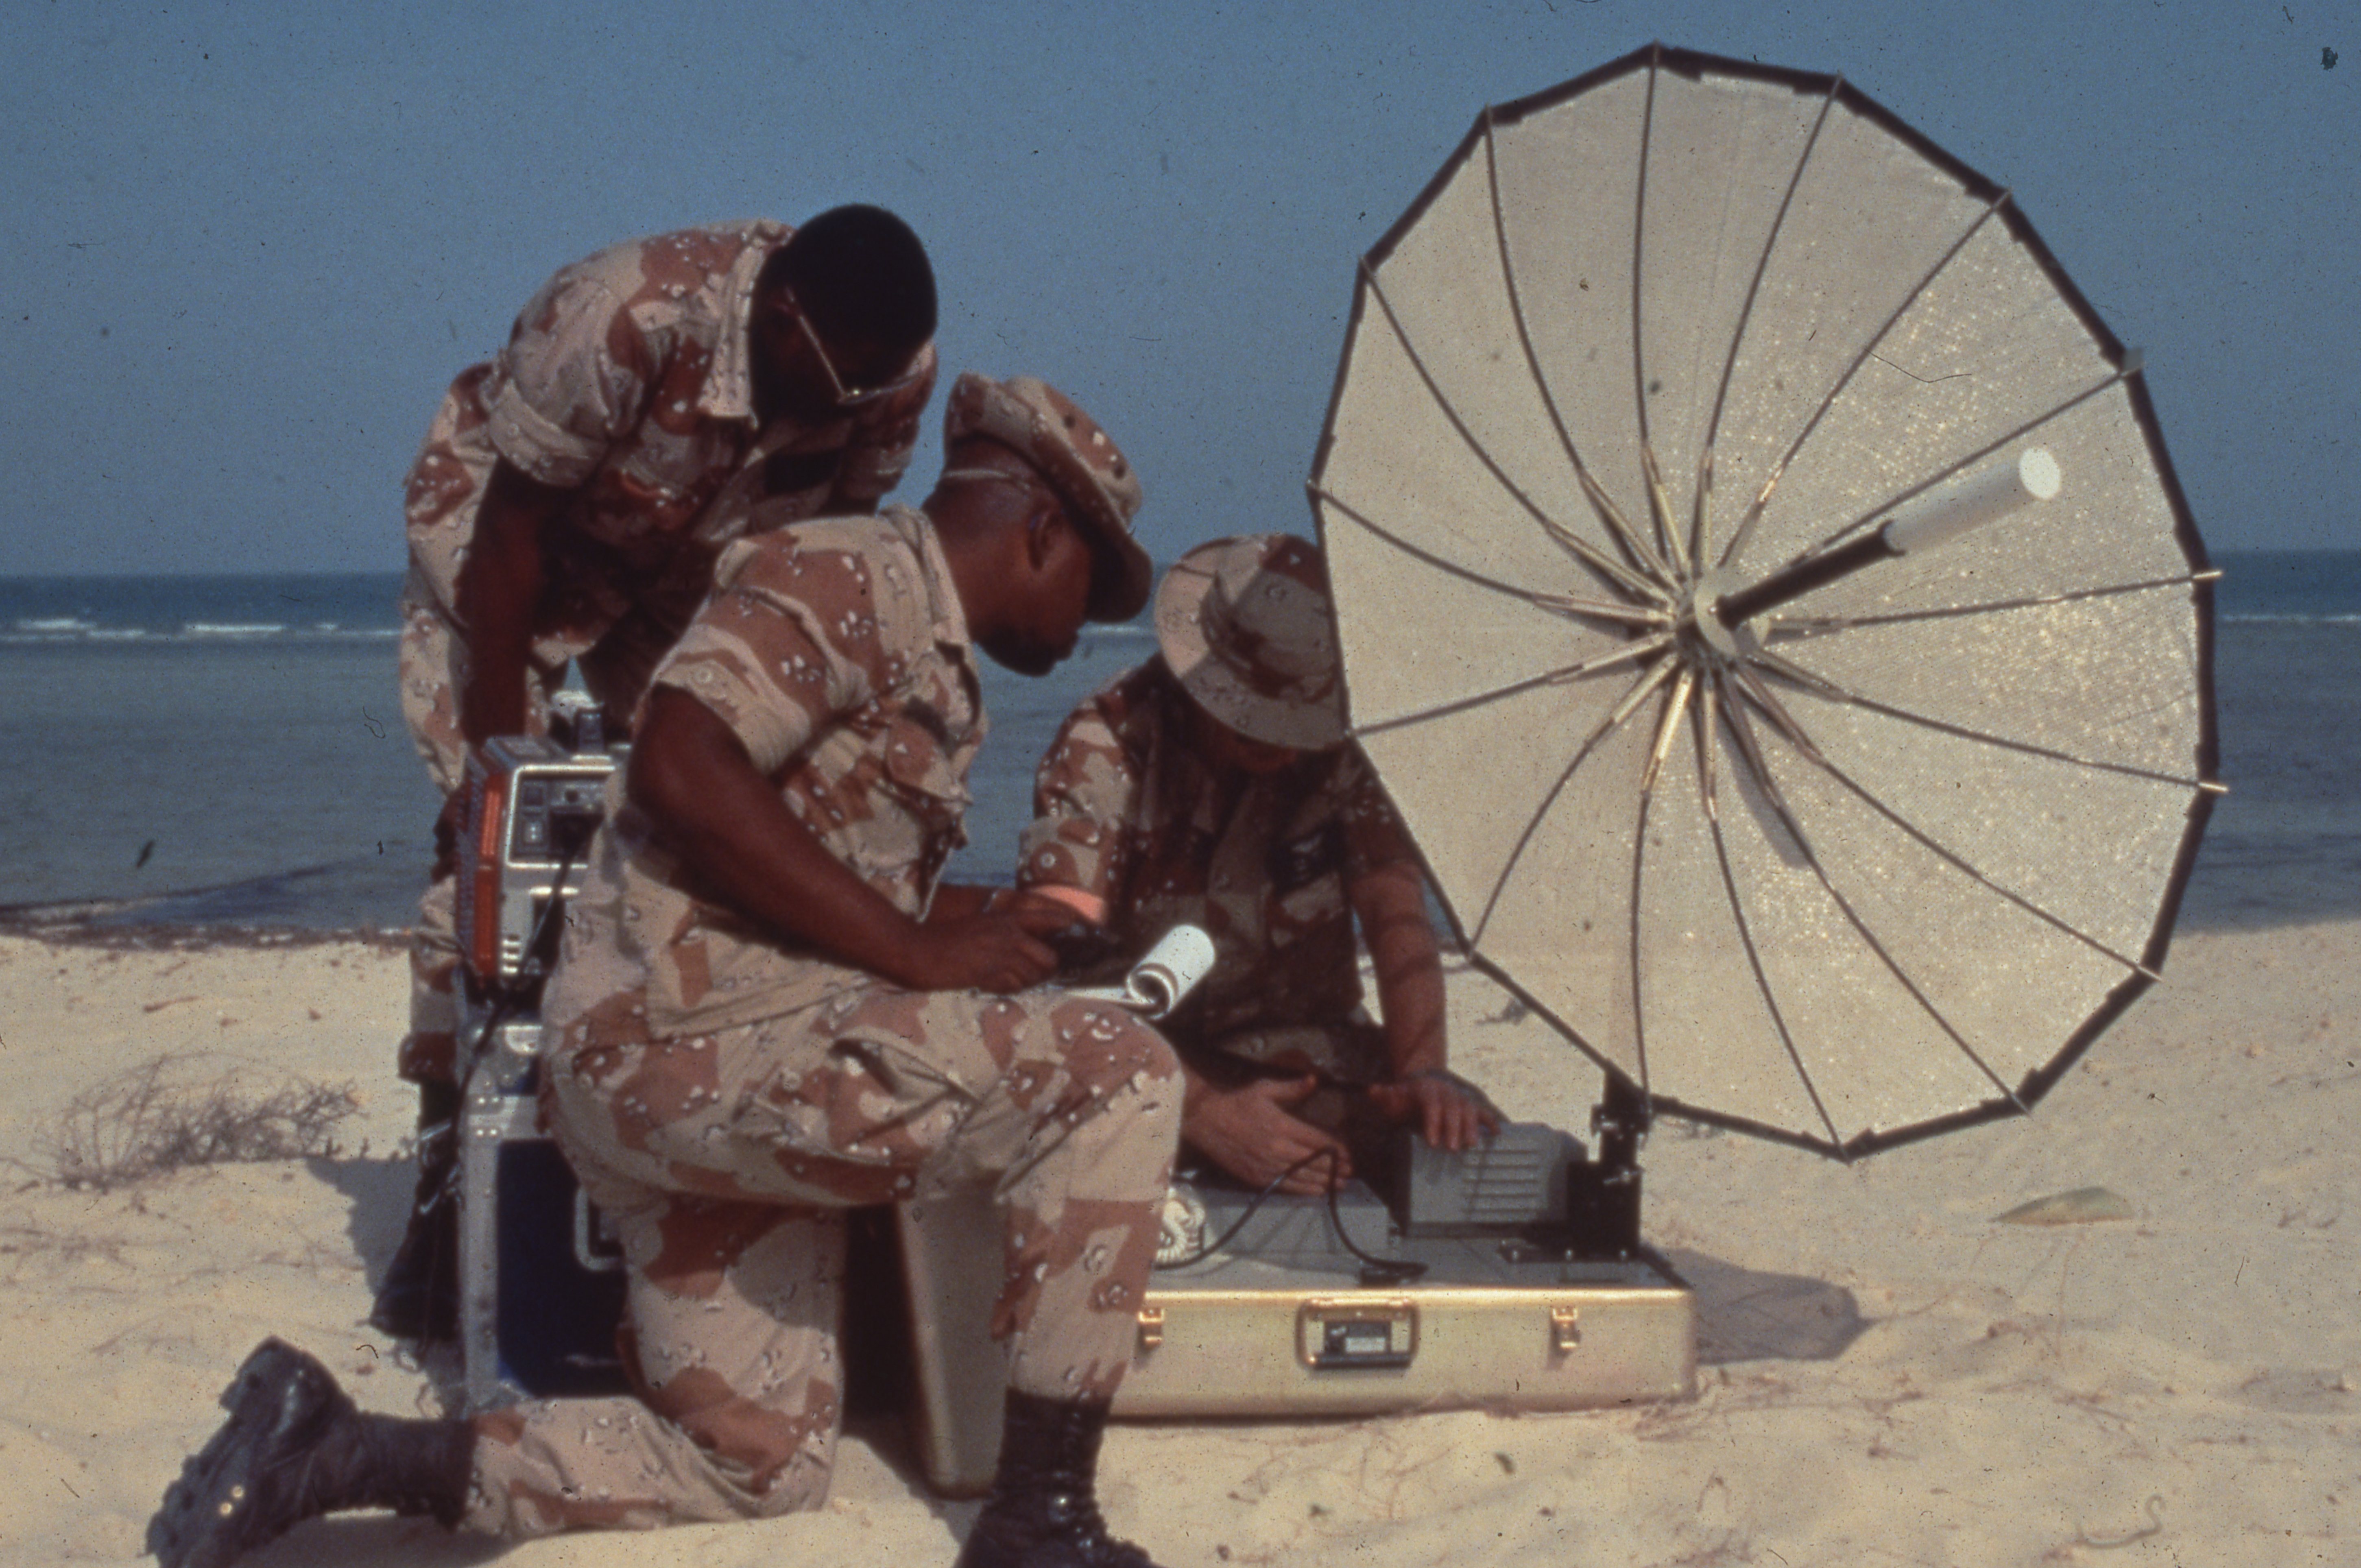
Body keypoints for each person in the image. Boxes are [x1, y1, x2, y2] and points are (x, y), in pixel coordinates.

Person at [151, 375, 1180, 1568]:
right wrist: (919, 952)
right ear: (1041, 529)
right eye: (1089, 589)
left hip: (719, 1066)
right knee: (1118, 1076)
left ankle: (337, 1451)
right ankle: (1040, 1522)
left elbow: (808, 870)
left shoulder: (924, 645)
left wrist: (988, 923)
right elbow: (681, 768)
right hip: (692, 1050)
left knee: (758, 1465)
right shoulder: (846, 574)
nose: (1084, 626)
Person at [375, 205, 942, 1339]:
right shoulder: (622, 315)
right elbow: (509, 540)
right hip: (503, 552)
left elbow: (823, 561)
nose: (855, 403)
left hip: (688, 569)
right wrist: (495, 766)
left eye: (872, 388)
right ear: (783, 317)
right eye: (842, 380)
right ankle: (448, 1191)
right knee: (492, 863)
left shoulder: (888, 370)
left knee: (710, 832)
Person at [1019, 534, 1498, 1199]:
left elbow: (1393, 907)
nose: (1287, 752)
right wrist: (1199, 1110)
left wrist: (1424, 1071)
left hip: (1309, 1060)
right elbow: (1050, 978)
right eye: (1260, 729)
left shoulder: (1344, 750)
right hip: (1141, 1063)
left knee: (1475, 1162)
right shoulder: (1106, 747)